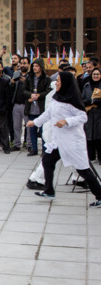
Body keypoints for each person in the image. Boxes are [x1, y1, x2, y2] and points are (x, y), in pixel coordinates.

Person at [28, 71, 101, 207]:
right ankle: (49, 190)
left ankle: (100, 194)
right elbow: (49, 113)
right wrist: (35, 122)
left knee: (83, 169)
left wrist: (66, 121)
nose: (56, 82)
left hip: (72, 141)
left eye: (59, 80)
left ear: (66, 83)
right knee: (47, 159)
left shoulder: (73, 99)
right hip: (59, 140)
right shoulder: (57, 97)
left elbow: (83, 117)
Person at [23, 59, 52, 157]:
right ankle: (34, 149)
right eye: (34, 66)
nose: (34, 68)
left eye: (36, 66)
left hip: (41, 107)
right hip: (31, 106)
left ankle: (44, 149)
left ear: (41, 67)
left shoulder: (46, 79)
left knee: (43, 130)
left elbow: (49, 91)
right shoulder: (29, 78)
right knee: (32, 129)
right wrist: (30, 95)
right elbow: (23, 90)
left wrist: (39, 95)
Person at [10, 57, 31, 151]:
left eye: (25, 63)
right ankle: (17, 144)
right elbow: (11, 87)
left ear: (28, 65)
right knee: (16, 126)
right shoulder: (16, 74)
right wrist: (12, 82)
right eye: (21, 63)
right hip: (17, 103)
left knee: (29, 126)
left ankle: (29, 144)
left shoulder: (31, 75)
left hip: (27, 104)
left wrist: (25, 82)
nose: (23, 65)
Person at [82, 67, 101, 163]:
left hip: (99, 114)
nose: (96, 76)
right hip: (89, 114)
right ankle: (91, 157)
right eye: (94, 74)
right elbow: (83, 100)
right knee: (89, 136)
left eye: (97, 74)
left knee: (99, 136)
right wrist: (90, 101)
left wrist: (96, 101)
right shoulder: (86, 85)